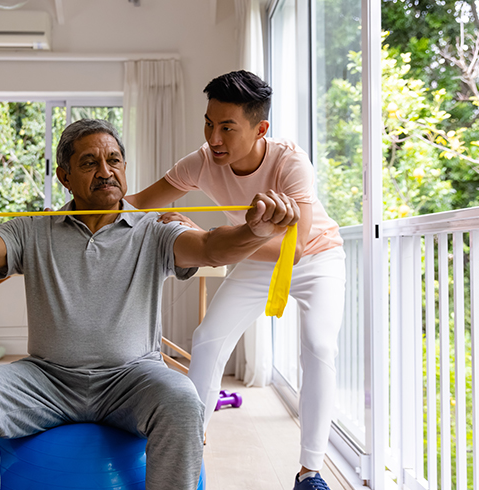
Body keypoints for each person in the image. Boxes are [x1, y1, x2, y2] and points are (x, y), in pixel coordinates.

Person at [0, 118, 300, 490]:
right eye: (89, 162)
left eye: (114, 160)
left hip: (131, 378)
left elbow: (211, 247)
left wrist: (254, 231)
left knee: (183, 398)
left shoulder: (155, 230)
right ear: (64, 175)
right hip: (46, 378)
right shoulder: (32, 230)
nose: (106, 170)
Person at [126, 70, 346, 490]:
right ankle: (190, 442)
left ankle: (311, 472)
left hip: (318, 258)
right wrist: (76, 211)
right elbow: (136, 204)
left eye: (228, 127)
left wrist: (206, 236)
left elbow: (293, 249)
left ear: (260, 128)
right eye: (209, 123)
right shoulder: (203, 162)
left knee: (319, 345)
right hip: (255, 259)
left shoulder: (290, 163)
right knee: (208, 337)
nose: (214, 138)